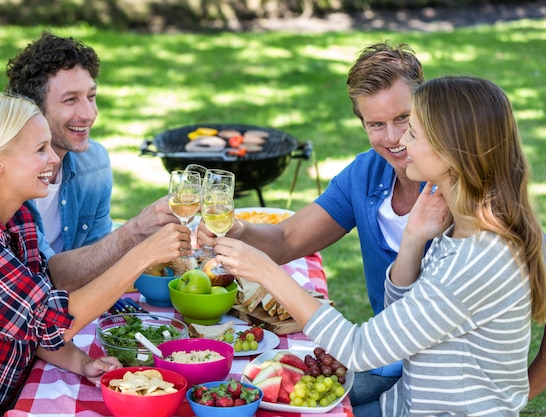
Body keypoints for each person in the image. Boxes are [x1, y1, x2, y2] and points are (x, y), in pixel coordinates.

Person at [213, 75, 546, 416]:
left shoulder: (479, 258)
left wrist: (268, 273)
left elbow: (358, 349)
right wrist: (414, 239)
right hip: (402, 403)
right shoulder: (461, 228)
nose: (401, 141)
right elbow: (399, 310)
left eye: (412, 131)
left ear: (451, 150)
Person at [0, 92, 192, 417]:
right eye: (40, 150)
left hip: (0, 397)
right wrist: (142, 255)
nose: (53, 158)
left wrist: (82, 362)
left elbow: (34, 322)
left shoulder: (18, 217)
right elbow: (55, 322)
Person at [200, 41, 424, 410]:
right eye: (376, 124)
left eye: (404, 118)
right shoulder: (366, 174)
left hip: (436, 372)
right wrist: (235, 230)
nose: (393, 137)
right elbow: (287, 238)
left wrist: (527, 387)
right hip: (384, 357)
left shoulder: (459, 187)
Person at [5, 32, 179, 292]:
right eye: (70, 100)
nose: (89, 114)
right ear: (33, 108)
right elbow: (47, 279)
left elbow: (100, 259)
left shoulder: (93, 162)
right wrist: (135, 231)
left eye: (91, 96)